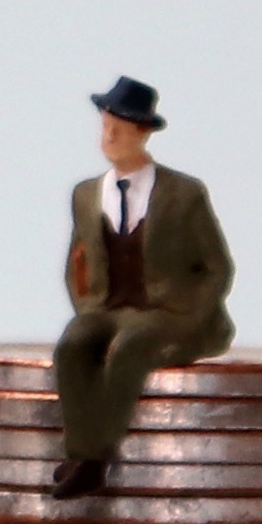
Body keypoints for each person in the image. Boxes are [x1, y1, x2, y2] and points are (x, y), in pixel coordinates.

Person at [48, 77, 237, 500]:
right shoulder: (86, 195)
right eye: (105, 126)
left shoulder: (183, 194)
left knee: (131, 346)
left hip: (169, 313)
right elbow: (77, 261)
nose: (108, 137)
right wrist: (88, 308)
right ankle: (81, 451)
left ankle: (97, 460)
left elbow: (217, 267)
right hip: (108, 307)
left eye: (119, 128)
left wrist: (189, 313)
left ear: (143, 132)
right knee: (74, 344)